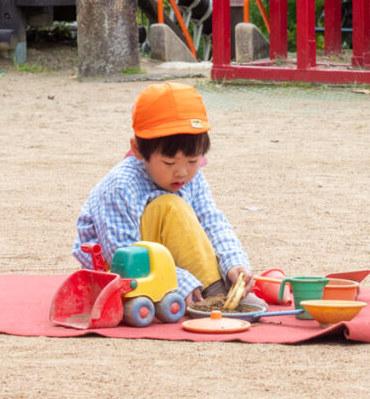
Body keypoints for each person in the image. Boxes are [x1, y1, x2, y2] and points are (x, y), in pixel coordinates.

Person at [73, 81, 262, 307]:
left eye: (193, 160)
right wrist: (177, 281)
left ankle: (218, 285)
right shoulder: (120, 187)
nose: (182, 172)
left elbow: (212, 222)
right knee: (170, 206)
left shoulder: (193, 178)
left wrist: (234, 262)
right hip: (120, 267)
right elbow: (120, 252)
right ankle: (215, 292)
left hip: (166, 259)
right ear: (138, 150)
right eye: (169, 162)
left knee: (189, 214)